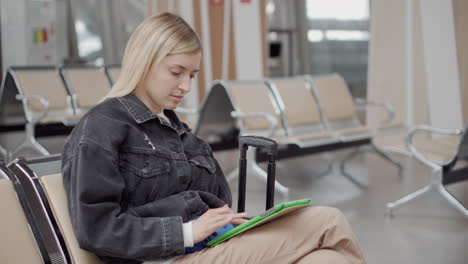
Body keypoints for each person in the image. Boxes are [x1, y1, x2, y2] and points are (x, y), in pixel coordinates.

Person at [61, 12, 365, 264]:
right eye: (176, 71)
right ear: (144, 62)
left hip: (208, 246)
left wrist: (229, 222)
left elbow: (216, 200)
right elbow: (97, 229)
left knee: (328, 259)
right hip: (165, 257)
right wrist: (189, 232)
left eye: (191, 75)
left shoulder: (174, 129)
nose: (185, 86)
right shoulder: (101, 128)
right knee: (328, 221)